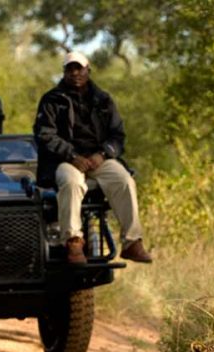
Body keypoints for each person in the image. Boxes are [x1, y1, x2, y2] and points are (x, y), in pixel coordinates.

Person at [33, 52, 152, 264]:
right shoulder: (51, 100)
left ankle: (132, 242)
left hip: (99, 159)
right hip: (65, 160)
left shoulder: (103, 100)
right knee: (71, 182)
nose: (75, 73)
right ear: (64, 72)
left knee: (124, 180)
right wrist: (72, 155)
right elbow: (45, 135)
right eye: (70, 69)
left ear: (88, 70)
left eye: (79, 68)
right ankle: (73, 241)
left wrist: (103, 154)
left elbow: (118, 135)